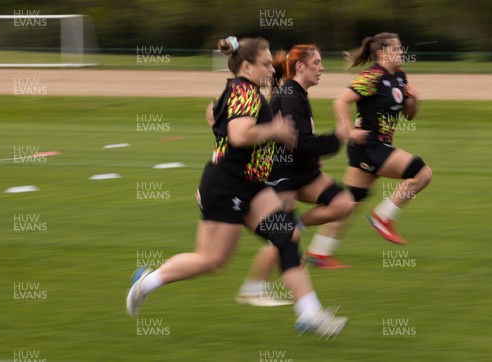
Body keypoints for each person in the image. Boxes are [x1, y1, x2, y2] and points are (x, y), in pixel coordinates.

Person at [126, 36, 347, 338]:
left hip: (252, 185)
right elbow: (240, 135)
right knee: (212, 260)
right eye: (267, 63)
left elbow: (214, 115)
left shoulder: (242, 90)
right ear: (247, 65)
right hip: (226, 186)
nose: (272, 69)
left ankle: (310, 312)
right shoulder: (245, 91)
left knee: (288, 235)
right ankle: (147, 281)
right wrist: (276, 129)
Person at [236, 44, 366, 306]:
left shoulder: (297, 93)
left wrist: (315, 152)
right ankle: (253, 287)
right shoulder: (290, 95)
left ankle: (298, 226)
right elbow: (301, 142)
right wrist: (338, 138)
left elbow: (298, 142)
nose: (321, 68)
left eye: (320, 63)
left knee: (343, 204)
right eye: (316, 63)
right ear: (300, 67)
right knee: (282, 238)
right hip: (282, 175)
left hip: (303, 173)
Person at [311, 32, 432, 255]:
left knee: (351, 203)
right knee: (422, 174)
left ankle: (319, 252)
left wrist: (415, 100)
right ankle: (383, 218)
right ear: (381, 53)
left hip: (373, 148)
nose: (401, 52)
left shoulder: (400, 77)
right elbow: (341, 100)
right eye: (396, 48)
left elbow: (409, 116)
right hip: (369, 146)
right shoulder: (372, 76)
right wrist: (348, 131)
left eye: (400, 48)